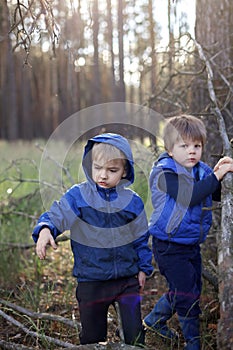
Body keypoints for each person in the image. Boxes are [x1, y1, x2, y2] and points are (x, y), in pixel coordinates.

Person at [32, 133, 153, 346]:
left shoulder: (132, 202)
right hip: (92, 279)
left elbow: (141, 237)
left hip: (126, 280)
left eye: (112, 170)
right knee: (92, 337)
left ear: (125, 171)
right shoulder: (79, 196)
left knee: (135, 335)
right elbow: (57, 215)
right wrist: (45, 230)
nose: (103, 175)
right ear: (90, 166)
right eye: (97, 168)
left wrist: (143, 268)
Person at [142, 115, 233, 350]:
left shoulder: (201, 171)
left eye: (197, 146)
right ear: (170, 150)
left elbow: (214, 193)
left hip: (190, 243)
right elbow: (190, 195)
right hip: (168, 245)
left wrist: (222, 174)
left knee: (190, 288)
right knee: (186, 293)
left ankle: (154, 320)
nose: (191, 151)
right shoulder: (164, 173)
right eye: (184, 146)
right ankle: (193, 342)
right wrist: (216, 176)